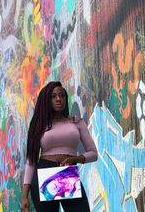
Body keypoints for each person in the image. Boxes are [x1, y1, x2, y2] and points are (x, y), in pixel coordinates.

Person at [20, 81, 98, 212]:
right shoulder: (39, 125)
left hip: (67, 173)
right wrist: (24, 196)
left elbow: (93, 153)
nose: (58, 99)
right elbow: (31, 161)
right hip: (44, 173)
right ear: (46, 100)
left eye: (62, 96)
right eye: (53, 96)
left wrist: (75, 159)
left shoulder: (76, 122)